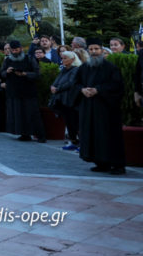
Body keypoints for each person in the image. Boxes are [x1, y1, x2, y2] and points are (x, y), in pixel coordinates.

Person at [75, 39, 127, 175]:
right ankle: (101, 163)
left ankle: (117, 165)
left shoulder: (111, 68)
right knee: (93, 135)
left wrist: (98, 90)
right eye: (91, 49)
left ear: (102, 50)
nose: (93, 52)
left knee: (110, 136)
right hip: (89, 108)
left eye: (96, 49)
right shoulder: (84, 68)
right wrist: (82, 90)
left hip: (106, 110)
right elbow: (75, 84)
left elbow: (117, 86)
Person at [2, 40, 46, 143]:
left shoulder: (30, 59)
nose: (14, 51)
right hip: (14, 92)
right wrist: (7, 72)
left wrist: (25, 74)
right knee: (19, 114)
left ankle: (40, 135)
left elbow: (37, 74)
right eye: (12, 50)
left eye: (16, 49)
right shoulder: (7, 60)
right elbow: (2, 73)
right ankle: (24, 134)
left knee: (32, 114)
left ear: (21, 49)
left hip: (28, 92)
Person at [51, 51, 81, 152]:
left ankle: (80, 143)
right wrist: (53, 86)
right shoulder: (64, 69)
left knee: (75, 122)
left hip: (72, 100)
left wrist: (58, 89)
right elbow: (57, 80)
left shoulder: (76, 69)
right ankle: (73, 142)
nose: (62, 60)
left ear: (72, 59)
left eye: (65, 58)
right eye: (62, 58)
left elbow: (71, 82)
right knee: (68, 122)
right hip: (62, 100)